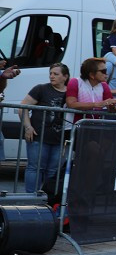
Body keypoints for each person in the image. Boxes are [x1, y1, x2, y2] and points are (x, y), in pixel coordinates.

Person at [20, 62, 70, 197]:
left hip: (60, 139)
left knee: (53, 170)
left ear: (65, 77)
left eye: (56, 74)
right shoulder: (41, 89)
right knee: (35, 168)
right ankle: (30, 198)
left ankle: (47, 199)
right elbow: (23, 107)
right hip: (38, 136)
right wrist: (28, 126)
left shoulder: (70, 93)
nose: (51, 76)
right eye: (51, 73)